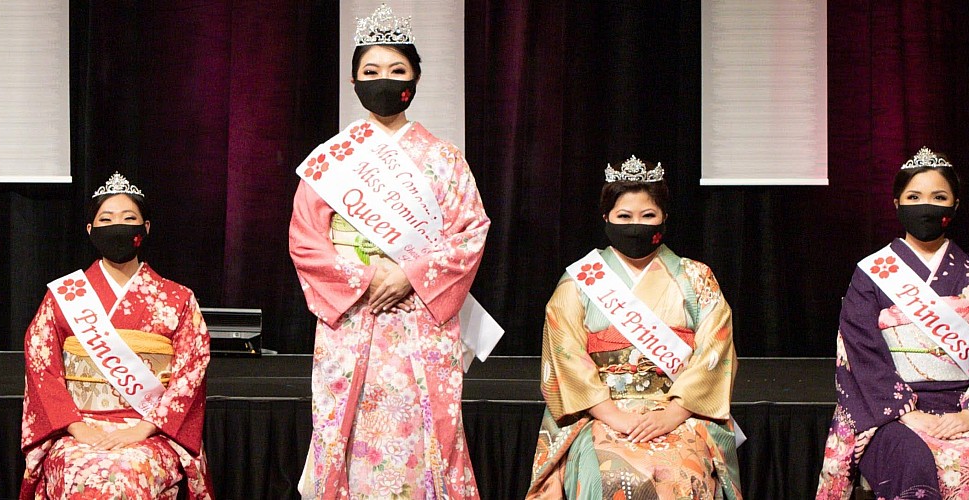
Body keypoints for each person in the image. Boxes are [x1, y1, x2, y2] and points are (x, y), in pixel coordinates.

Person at [288, 4, 490, 497]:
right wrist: (364, 277)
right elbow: (305, 239)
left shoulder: (444, 158)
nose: (384, 80)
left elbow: (470, 231)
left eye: (397, 70)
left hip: (421, 316)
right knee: (348, 431)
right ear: (354, 82)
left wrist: (410, 274)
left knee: (425, 435)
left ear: (416, 78)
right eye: (371, 71)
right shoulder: (332, 160)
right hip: (353, 316)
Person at [816, 147, 969, 499]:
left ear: (954, 205)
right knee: (910, 460)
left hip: (964, 409)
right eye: (914, 196)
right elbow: (858, 349)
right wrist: (905, 412)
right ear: (896, 203)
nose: (926, 205)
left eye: (939, 197)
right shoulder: (872, 273)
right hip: (890, 413)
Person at [527, 157, 741, 499]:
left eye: (648, 216)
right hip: (601, 412)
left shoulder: (696, 277)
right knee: (608, 478)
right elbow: (564, 355)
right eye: (624, 217)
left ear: (664, 219)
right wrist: (613, 416)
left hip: (677, 410)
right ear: (606, 219)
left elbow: (715, 350)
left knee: (681, 475)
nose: (635, 226)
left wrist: (673, 413)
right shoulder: (579, 281)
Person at [20, 172, 212, 499]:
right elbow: (42, 368)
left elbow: (190, 373)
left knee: (131, 472)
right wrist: (78, 429)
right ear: (90, 230)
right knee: (77, 468)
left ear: (145, 228)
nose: (118, 226)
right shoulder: (64, 296)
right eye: (106, 219)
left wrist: (143, 429)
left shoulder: (177, 299)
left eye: (129, 218)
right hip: (79, 427)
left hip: (151, 430)